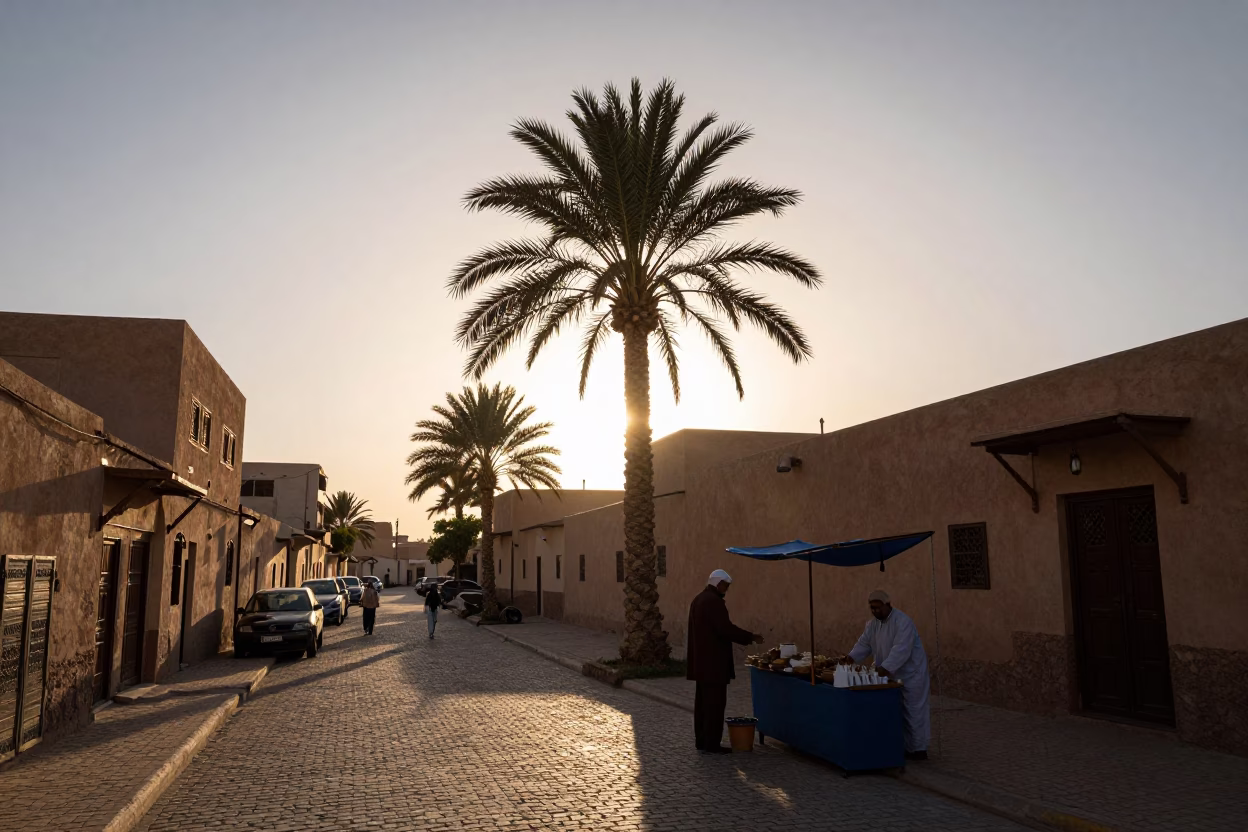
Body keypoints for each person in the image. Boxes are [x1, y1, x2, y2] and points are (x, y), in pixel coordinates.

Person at [838, 590, 931, 761]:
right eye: (872, 608)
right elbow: (864, 644)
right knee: (896, 711)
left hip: (911, 674)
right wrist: (850, 658)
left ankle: (918, 749)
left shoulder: (903, 622)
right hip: (889, 673)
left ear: (888, 605)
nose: (875, 611)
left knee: (913, 710)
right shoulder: (872, 625)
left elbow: (900, 650)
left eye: (878, 608)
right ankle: (902, 747)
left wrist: (884, 669)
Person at [686, 569, 764, 754]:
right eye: (725, 586)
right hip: (713, 664)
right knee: (714, 705)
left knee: (703, 705)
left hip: (702, 664)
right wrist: (750, 637)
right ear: (718, 584)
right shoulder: (713, 602)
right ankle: (712, 743)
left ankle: (702, 740)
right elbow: (725, 629)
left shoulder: (699, 599)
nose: (726, 590)